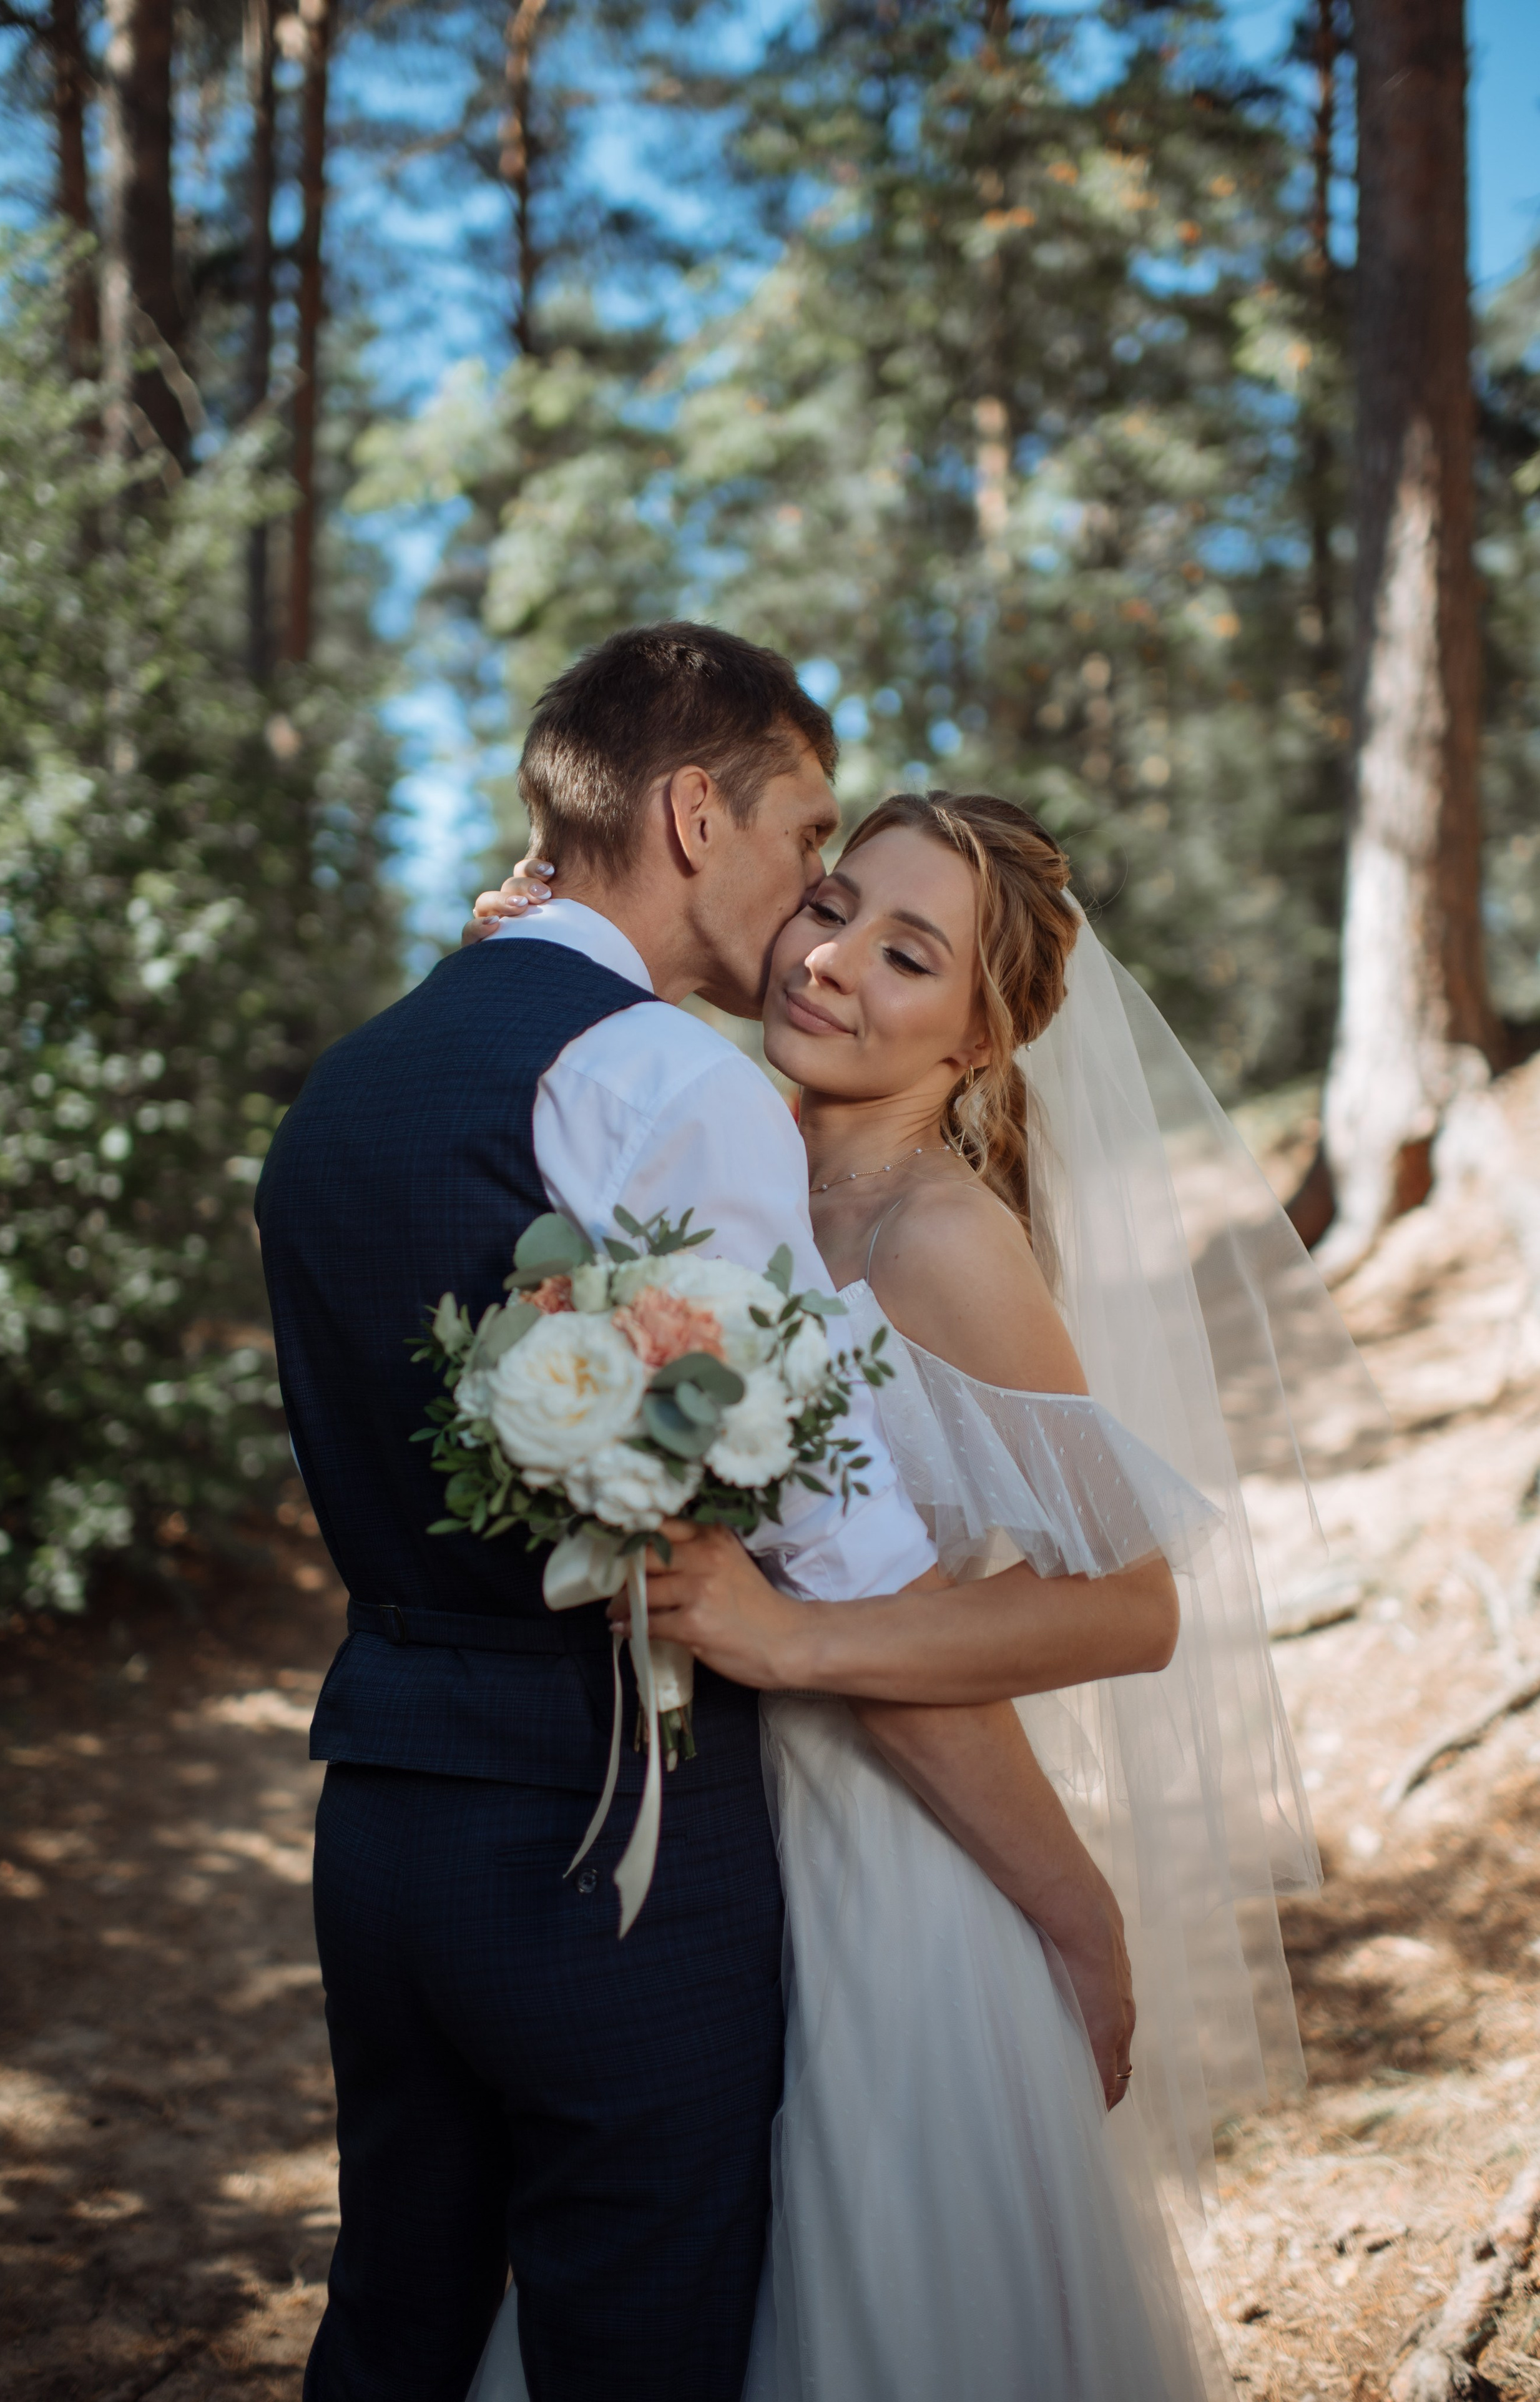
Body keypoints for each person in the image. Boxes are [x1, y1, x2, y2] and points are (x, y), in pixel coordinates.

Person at [256, 625, 1154, 2402]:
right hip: (623, 1843)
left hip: (387, 1820)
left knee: (403, 2321)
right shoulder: (672, 1086)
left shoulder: (354, 1086)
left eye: (898, 936)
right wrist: (1075, 1906)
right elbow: (838, 1548)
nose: (815, 900)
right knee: (642, 2341)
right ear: (691, 813)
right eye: (809, 843)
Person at [469, 782, 1340, 2400]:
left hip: (886, 1866)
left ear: (978, 1041)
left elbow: (1131, 1605)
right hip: (690, 1854)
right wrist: (545, 959)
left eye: (908, 952)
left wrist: (796, 1637)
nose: (831, 961)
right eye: (834, 905)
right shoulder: (717, 1150)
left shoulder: (945, 1244)